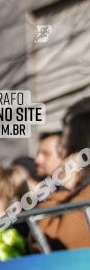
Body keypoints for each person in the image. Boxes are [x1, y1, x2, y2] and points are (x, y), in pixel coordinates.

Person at [37, 98, 90, 250]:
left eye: (65, 145)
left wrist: (63, 190)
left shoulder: (83, 196)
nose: (61, 153)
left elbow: (46, 241)